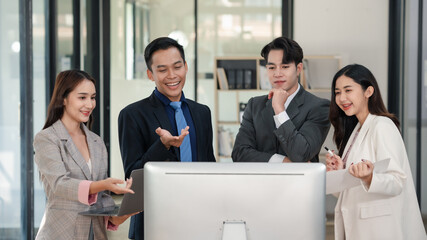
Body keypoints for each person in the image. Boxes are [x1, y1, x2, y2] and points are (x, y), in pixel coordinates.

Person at [118, 37, 216, 239]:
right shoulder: (133, 114)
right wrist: (162, 145)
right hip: (155, 220)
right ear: (150, 74)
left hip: (199, 218)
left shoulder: (202, 113)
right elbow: (132, 177)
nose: (172, 76)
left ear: (186, 67)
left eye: (177, 67)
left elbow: (209, 164)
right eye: (162, 70)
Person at [326, 64, 426, 240]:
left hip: (379, 229)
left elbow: (397, 181)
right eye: (337, 92)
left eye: (348, 90)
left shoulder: (382, 125)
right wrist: (340, 172)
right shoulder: (356, 130)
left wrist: (369, 177)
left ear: (368, 91)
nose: (341, 98)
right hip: (358, 226)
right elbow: (348, 191)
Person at [33, 70, 136, 240]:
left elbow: (101, 201)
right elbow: (60, 184)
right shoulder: (47, 138)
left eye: (93, 97)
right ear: (64, 99)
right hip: (60, 234)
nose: (90, 104)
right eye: (82, 97)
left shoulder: (97, 142)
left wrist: (119, 215)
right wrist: (104, 184)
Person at [232, 36, 330, 163]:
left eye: (284, 67)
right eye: (272, 68)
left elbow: (301, 154)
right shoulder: (254, 105)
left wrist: (279, 110)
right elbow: (239, 153)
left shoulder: (319, 107)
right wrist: (282, 161)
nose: (277, 73)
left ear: (298, 69)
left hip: (299, 183)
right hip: (259, 182)